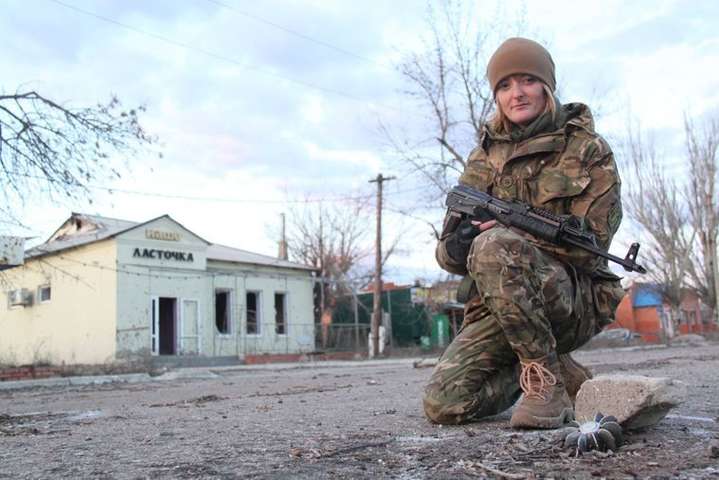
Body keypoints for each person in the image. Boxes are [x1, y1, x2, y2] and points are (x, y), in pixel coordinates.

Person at [422, 37, 626, 429]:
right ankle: (558, 370)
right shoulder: (484, 156)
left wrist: (511, 232)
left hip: (573, 300)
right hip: (504, 307)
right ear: (497, 96)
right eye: (505, 85)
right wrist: (459, 244)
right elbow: (446, 256)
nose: (516, 93)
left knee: (494, 245)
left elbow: (593, 248)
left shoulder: (587, 149)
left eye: (528, 80)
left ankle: (545, 385)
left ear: (547, 86)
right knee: (445, 403)